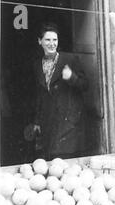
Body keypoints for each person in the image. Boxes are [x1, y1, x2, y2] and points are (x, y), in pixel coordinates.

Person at [33, 22, 88, 161]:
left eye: (55, 40)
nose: (52, 43)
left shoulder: (69, 59)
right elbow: (39, 95)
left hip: (68, 122)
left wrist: (72, 78)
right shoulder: (36, 65)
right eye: (48, 40)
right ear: (40, 41)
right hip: (48, 122)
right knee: (51, 162)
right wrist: (37, 121)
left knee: (66, 161)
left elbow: (85, 85)